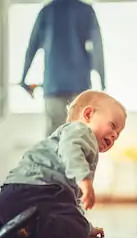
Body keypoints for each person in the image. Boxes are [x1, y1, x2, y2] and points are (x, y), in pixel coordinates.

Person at [0, 90, 126, 238]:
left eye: (118, 134)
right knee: (77, 228)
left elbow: (71, 202)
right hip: (38, 190)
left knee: (70, 214)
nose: (114, 135)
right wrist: (85, 180)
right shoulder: (80, 130)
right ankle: (30, 229)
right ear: (88, 114)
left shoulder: (71, 137)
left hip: (11, 194)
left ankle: (10, 228)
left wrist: (88, 226)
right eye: (113, 125)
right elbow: (70, 150)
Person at [20, 0, 105, 136]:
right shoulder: (86, 11)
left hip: (53, 86)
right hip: (80, 87)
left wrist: (23, 79)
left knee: (54, 140)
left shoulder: (47, 11)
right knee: (79, 139)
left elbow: (32, 47)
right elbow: (97, 49)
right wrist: (102, 82)